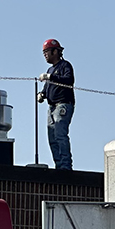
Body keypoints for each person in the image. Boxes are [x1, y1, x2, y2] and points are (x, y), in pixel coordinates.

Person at [37, 38, 74, 170]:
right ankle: (59, 165)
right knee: (52, 138)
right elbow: (47, 88)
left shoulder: (65, 66)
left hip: (62, 105)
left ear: (56, 51)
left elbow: (68, 80)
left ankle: (65, 166)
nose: (45, 55)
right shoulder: (50, 70)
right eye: (44, 53)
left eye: (47, 51)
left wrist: (50, 77)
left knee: (60, 134)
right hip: (51, 107)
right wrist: (42, 94)